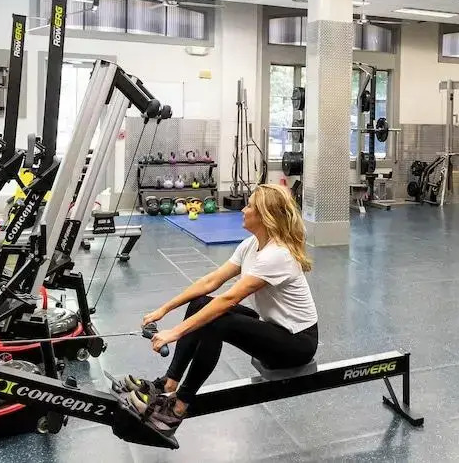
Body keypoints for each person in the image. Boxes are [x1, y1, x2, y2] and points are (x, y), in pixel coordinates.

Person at [119, 184, 318, 434]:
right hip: (274, 328)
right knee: (201, 303)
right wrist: (164, 309)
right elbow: (210, 282)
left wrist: (175, 332)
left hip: (297, 343)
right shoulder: (251, 245)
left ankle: (179, 407)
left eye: (249, 206)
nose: (243, 210)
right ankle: (169, 382)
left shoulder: (277, 255)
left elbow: (229, 299)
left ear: (264, 216)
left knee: (217, 320)